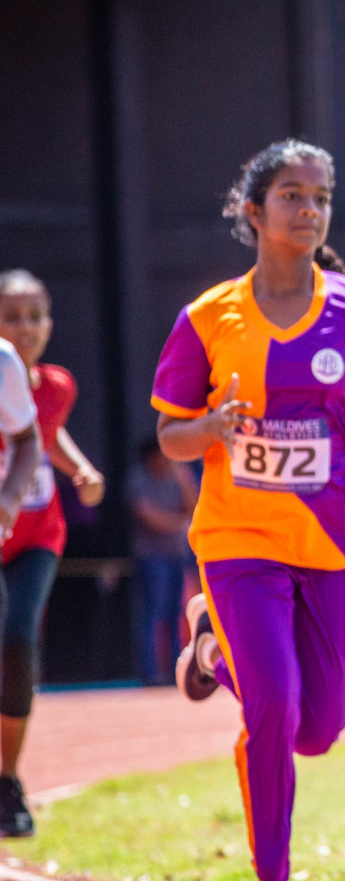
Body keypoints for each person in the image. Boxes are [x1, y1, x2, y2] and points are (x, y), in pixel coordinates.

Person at [155, 140, 345, 881]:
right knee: (271, 706)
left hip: (334, 540)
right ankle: (271, 871)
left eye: (321, 197)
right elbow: (170, 435)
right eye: (292, 196)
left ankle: (210, 648)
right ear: (254, 211)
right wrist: (209, 429)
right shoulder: (210, 317)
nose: (309, 209)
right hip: (238, 538)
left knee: (317, 730)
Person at [0, 270, 105, 836]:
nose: (26, 328)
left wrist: (80, 467)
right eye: (12, 316)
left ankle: (7, 779)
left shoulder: (57, 385)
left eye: (35, 315)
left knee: (17, 639)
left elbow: (44, 433)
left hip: (36, 534)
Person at [129, 437, 197, 685]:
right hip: (151, 557)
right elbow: (148, 517)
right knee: (153, 615)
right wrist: (179, 523)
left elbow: (194, 508)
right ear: (152, 457)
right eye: (163, 456)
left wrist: (185, 480)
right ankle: (151, 674)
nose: (168, 462)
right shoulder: (138, 479)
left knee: (174, 613)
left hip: (176, 555)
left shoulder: (177, 477)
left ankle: (175, 673)